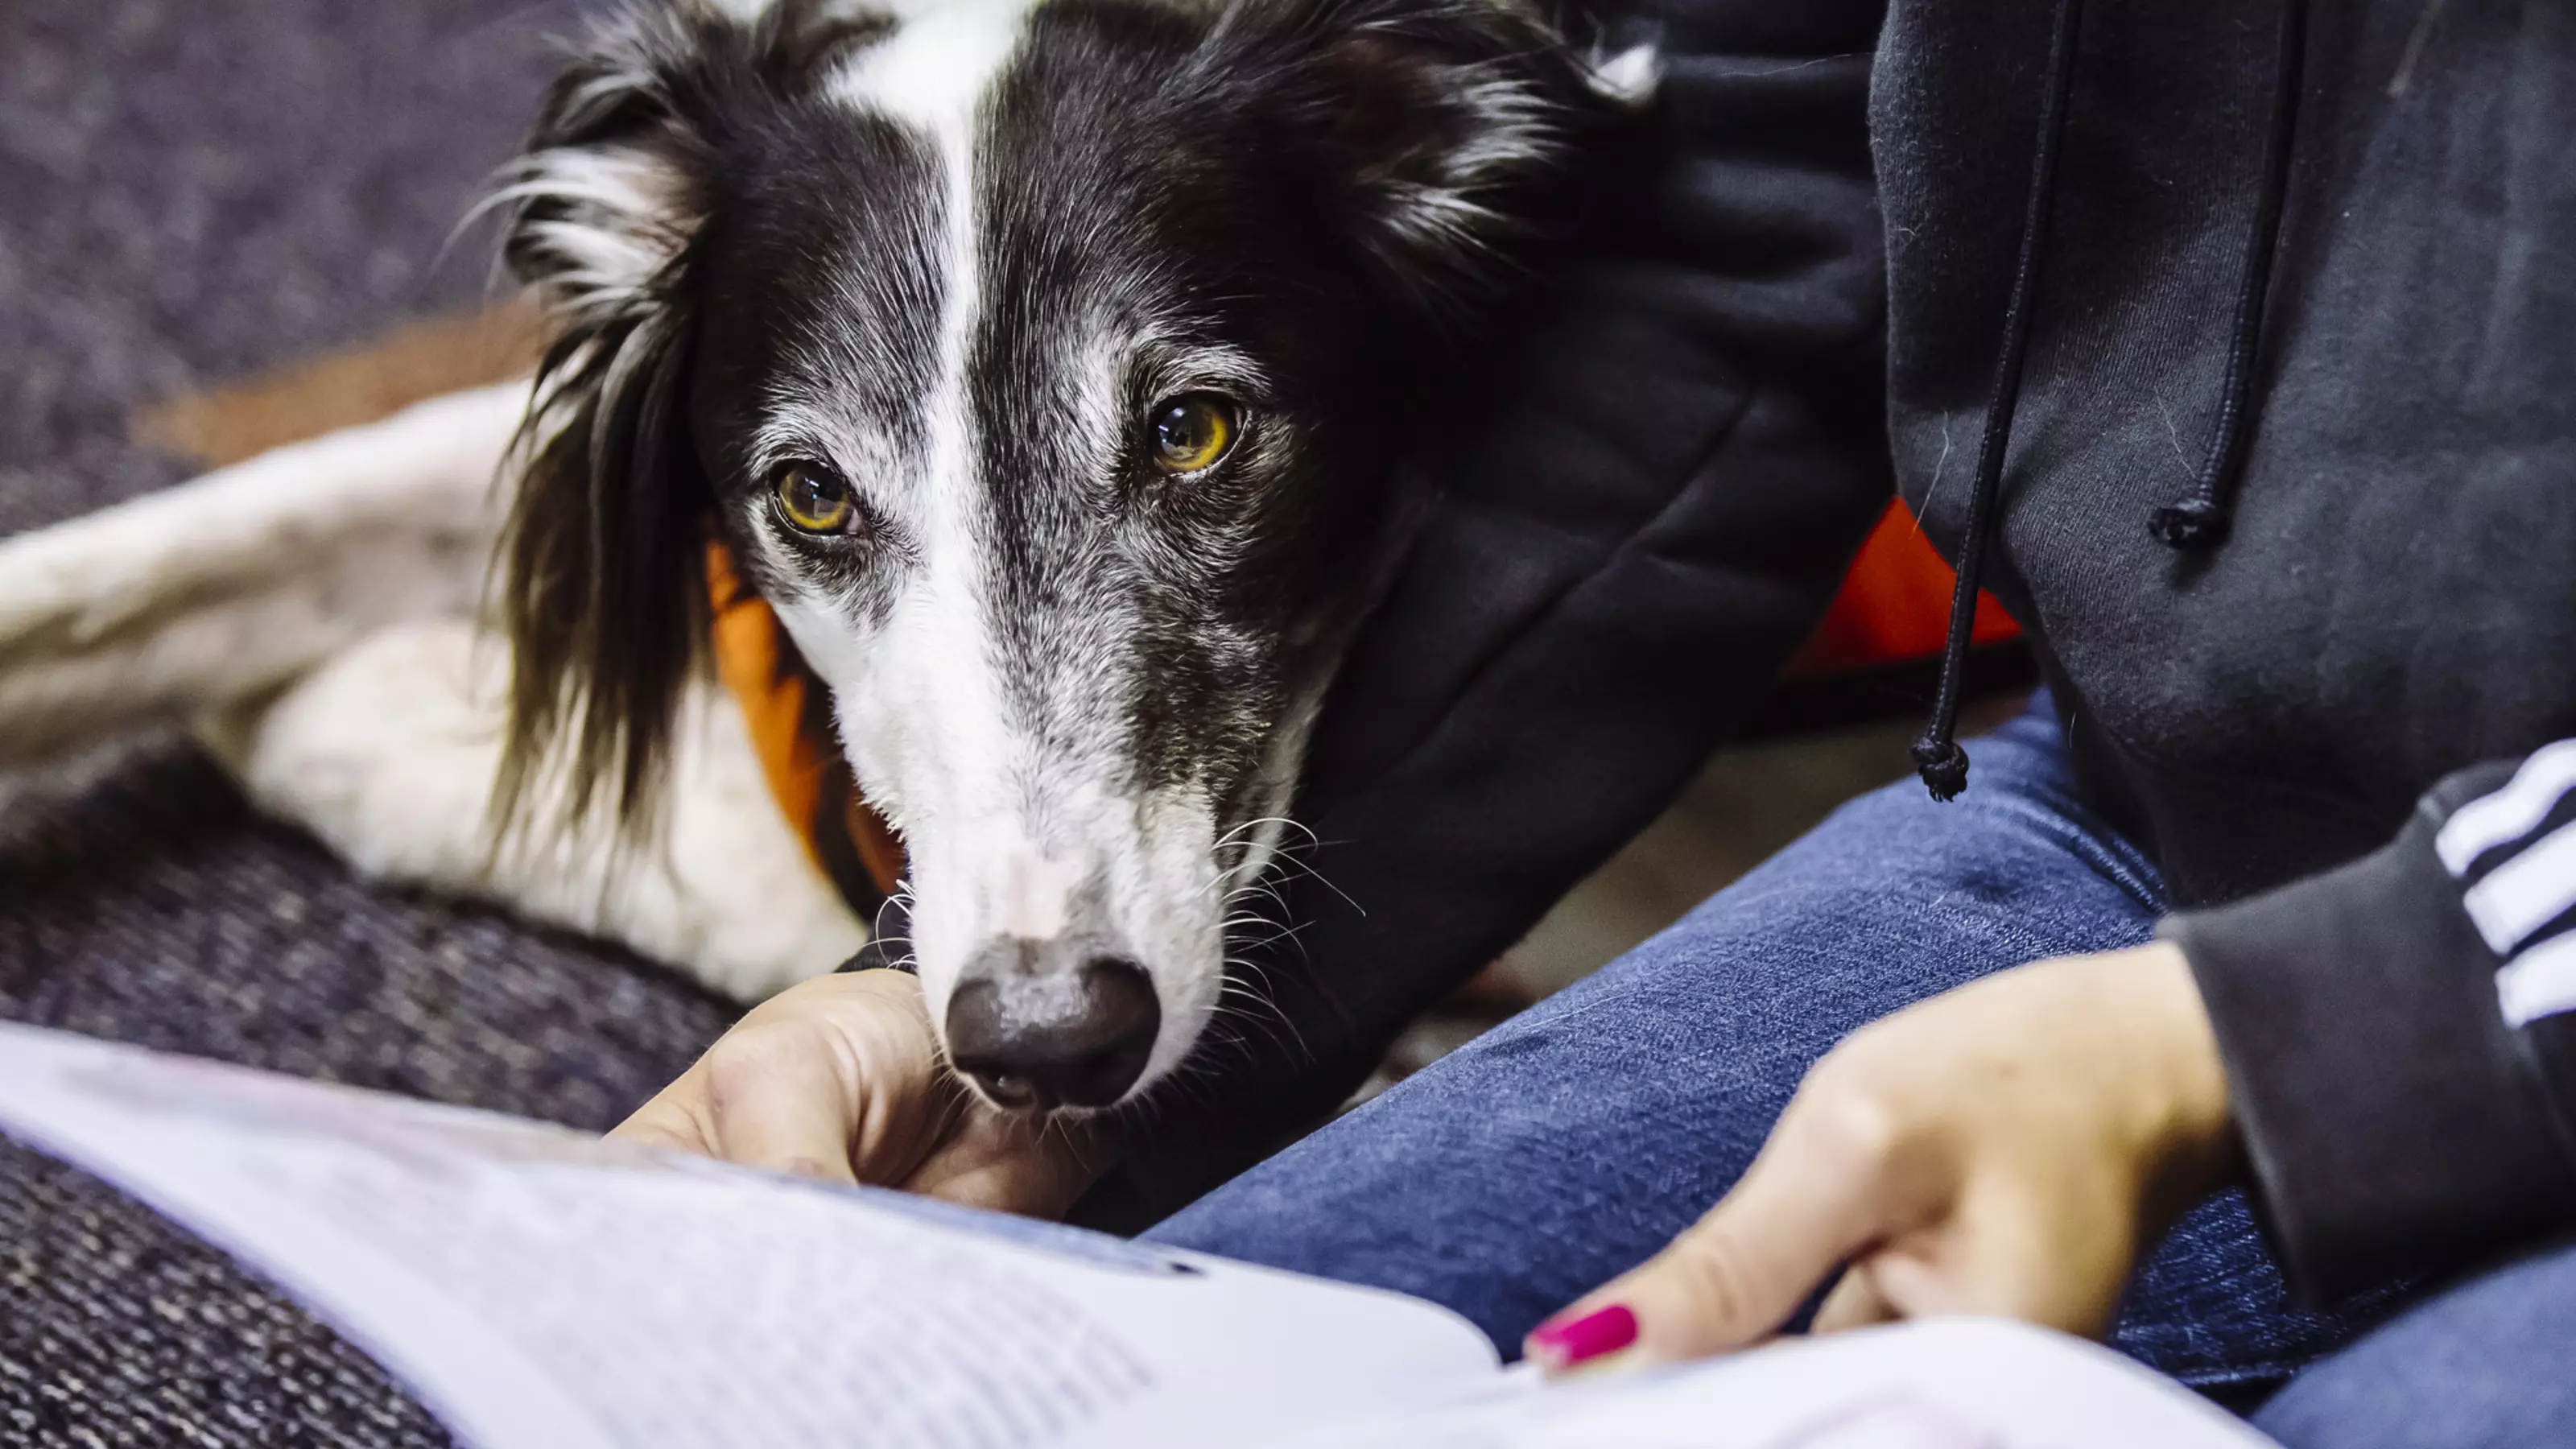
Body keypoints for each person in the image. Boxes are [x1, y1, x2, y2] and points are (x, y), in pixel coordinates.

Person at [613, 2, 2576, 1442]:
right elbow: (1772, 214)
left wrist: (2293, 1039)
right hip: (2154, 816)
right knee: (1125, 1409)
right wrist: (970, 996)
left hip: (2450, 946)